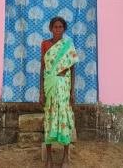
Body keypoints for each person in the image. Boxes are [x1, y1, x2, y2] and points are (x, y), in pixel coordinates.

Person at [39, 16, 79, 168]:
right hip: (49, 85)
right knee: (49, 119)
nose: (58, 29)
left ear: (64, 29)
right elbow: (42, 68)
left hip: (63, 86)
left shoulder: (68, 45)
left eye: (60, 27)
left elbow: (72, 69)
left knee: (64, 118)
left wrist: (72, 91)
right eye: (55, 27)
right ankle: (49, 158)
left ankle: (65, 158)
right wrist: (41, 93)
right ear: (51, 28)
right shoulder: (45, 44)